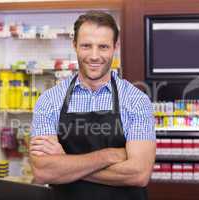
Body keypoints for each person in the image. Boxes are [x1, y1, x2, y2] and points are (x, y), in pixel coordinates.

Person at [29, 10, 156, 200]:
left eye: (103, 46)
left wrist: (64, 164)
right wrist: (110, 156)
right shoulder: (49, 101)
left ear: (115, 47)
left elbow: (138, 174)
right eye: (86, 46)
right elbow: (43, 172)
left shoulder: (137, 100)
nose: (94, 56)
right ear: (75, 46)